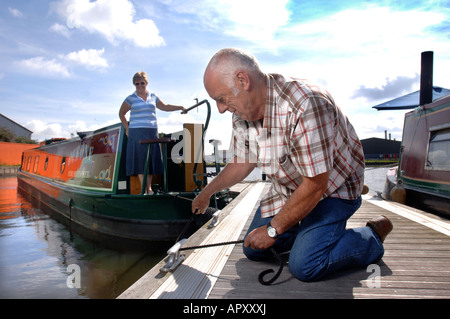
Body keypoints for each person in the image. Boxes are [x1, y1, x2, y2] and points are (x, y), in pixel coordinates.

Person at [192, 48, 393, 282]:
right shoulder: (241, 114)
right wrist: (206, 193)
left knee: (305, 266)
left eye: (222, 99)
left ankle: (371, 236)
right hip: (290, 190)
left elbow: (316, 185)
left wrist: (272, 229)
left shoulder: (306, 103)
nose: (220, 109)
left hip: (333, 190)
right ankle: (307, 231)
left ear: (242, 80)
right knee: (253, 250)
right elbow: (242, 161)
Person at [119, 71, 186, 194]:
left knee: (149, 160)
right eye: (137, 84)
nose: (140, 86)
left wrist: (180, 107)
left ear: (147, 83)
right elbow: (121, 113)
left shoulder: (153, 96)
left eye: (142, 83)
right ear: (134, 84)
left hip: (152, 131)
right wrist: (127, 128)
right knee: (140, 160)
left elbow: (165, 107)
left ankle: (148, 189)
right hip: (136, 132)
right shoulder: (130, 98)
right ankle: (144, 189)